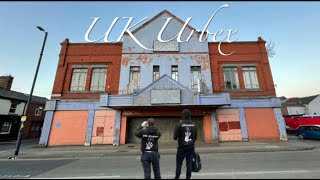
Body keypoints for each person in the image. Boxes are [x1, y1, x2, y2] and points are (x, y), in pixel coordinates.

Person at [173, 109, 197, 179]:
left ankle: (177, 177)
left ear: (182, 115)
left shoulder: (179, 124)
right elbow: (195, 137)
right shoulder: (193, 124)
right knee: (189, 164)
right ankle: (188, 177)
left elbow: (175, 137)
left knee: (179, 164)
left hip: (182, 148)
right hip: (191, 147)